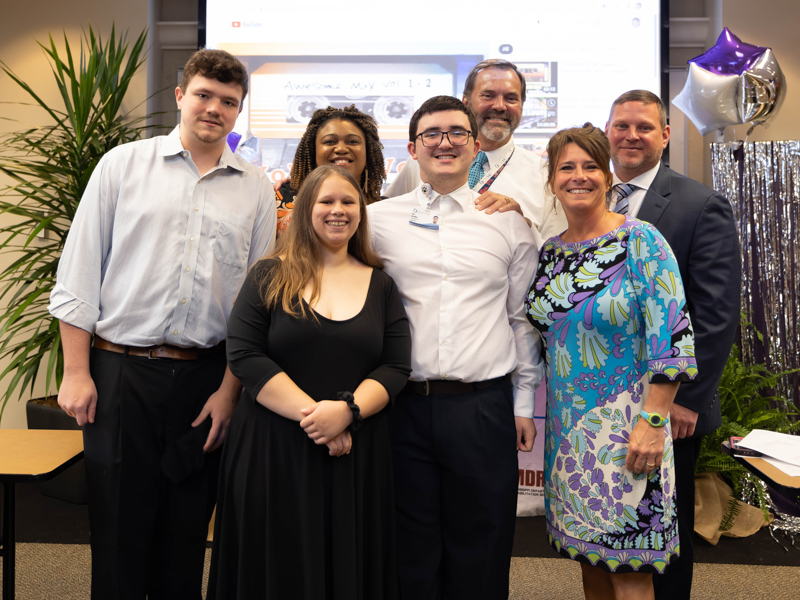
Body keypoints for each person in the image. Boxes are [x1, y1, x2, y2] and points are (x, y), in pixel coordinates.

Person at [48, 49, 276, 600]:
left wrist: (229, 394)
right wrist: (76, 372)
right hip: (119, 374)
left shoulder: (255, 188)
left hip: (206, 382)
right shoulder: (122, 165)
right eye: (204, 95)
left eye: (228, 101)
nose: (214, 108)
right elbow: (79, 271)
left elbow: (256, 302)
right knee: (119, 530)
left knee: (187, 527)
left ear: (239, 111)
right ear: (181, 96)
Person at [368, 95, 544, 600]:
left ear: (474, 146)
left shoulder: (509, 223)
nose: (444, 143)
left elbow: (521, 321)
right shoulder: (376, 220)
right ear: (412, 148)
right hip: (401, 406)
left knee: (482, 546)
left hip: (482, 407)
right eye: (432, 134)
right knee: (409, 548)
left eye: (456, 133)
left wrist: (522, 403)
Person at [208, 164, 411, 599]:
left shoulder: (382, 285)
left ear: (361, 212)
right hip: (272, 450)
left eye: (348, 202)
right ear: (305, 210)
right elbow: (244, 354)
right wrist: (318, 419)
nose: (338, 211)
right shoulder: (268, 274)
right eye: (326, 201)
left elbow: (395, 367)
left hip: (356, 453)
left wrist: (347, 412)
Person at [525, 123, 698, 599]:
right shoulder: (550, 253)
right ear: (552, 179)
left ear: (607, 176)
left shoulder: (642, 241)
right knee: (592, 558)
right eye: (566, 168)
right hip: (569, 436)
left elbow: (673, 338)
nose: (578, 176)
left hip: (628, 431)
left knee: (631, 569)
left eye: (589, 167)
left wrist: (652, 421)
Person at [605, 90, 741, 599]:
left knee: (664, 533)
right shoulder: (589, 198)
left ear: (664, 134)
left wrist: (685, 399)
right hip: (605, 402)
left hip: (670, 405)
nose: (631, 135)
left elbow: (715, 314)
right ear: (608, 133)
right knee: (614, 524)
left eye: (644, 127)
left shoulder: (699, 204)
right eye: (622, 126)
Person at [386, 58, 566, 239]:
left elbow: (556, 255)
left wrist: (523, 226)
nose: (500, 106)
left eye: (511, 98)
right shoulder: (425, 159)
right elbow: (389, 219)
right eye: (488, 95)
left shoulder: (546, 178)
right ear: (465, 102)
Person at [275, 105, 387, 235]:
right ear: (313, 150)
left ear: (368, 151)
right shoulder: (282, 198)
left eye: (352, 141)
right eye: (329, 141)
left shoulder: (386, 210)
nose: (341, 149)